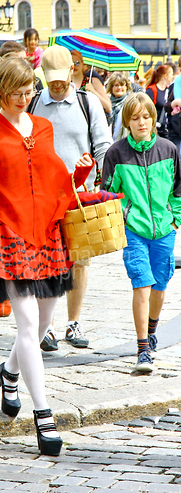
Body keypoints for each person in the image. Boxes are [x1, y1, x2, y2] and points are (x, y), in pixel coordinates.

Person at [0, 55, 94, 456]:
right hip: (9, 233)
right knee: (25, 326)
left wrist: (77, 175)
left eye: (29, 91)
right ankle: (44, 417)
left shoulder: (42, 127)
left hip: (47, 233)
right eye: (17, 92)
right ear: (1, 91)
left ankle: (8, 372)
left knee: (43, 324)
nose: (25, 98)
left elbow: (51, 175)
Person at [31, 45, 112, 351]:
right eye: (50, 80)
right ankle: (46, 326)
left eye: (60, 79)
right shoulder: (34, 102)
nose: (56, 85)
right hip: (43, 197)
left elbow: (103, 145)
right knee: (46, 261)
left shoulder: (87, 102)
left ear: (71, 72)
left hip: (80, 196)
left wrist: (105, 182)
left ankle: (73, 322)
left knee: (79, 261)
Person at [101, 93, 181, 372]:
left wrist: (175, 221)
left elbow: (177, 189)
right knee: (142, 284)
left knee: (160, 286)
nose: (141, 122)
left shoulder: (169, 149)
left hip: (164, 230)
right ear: (127, 122)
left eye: (146, 116)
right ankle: (142, 348)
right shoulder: (116, 153)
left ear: (153, 118)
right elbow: (108, 194)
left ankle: (152, 327)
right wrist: (122, 219)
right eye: (135, 118)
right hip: (133, 231)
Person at [71, 49, 111, 114]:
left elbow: (108, 107)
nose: (74, 66)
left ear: (83, 64)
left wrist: (93, 91)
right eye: (71, 63)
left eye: (77, 63)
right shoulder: (67, 83)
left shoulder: (93, 81)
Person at [146, 64, 173, 138]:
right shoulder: (151, 91)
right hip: (156, 130)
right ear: (165, 76)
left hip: (167, 130)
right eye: (171, 74)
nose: (172, 77)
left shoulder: (169, 90)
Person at [106, 72, 133, 141]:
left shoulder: (130, 103)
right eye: (116, 85)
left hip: (124, 142)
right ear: (111, 87)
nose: (119, 88)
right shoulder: (107, 104)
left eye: (122, 85)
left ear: (126, 87)